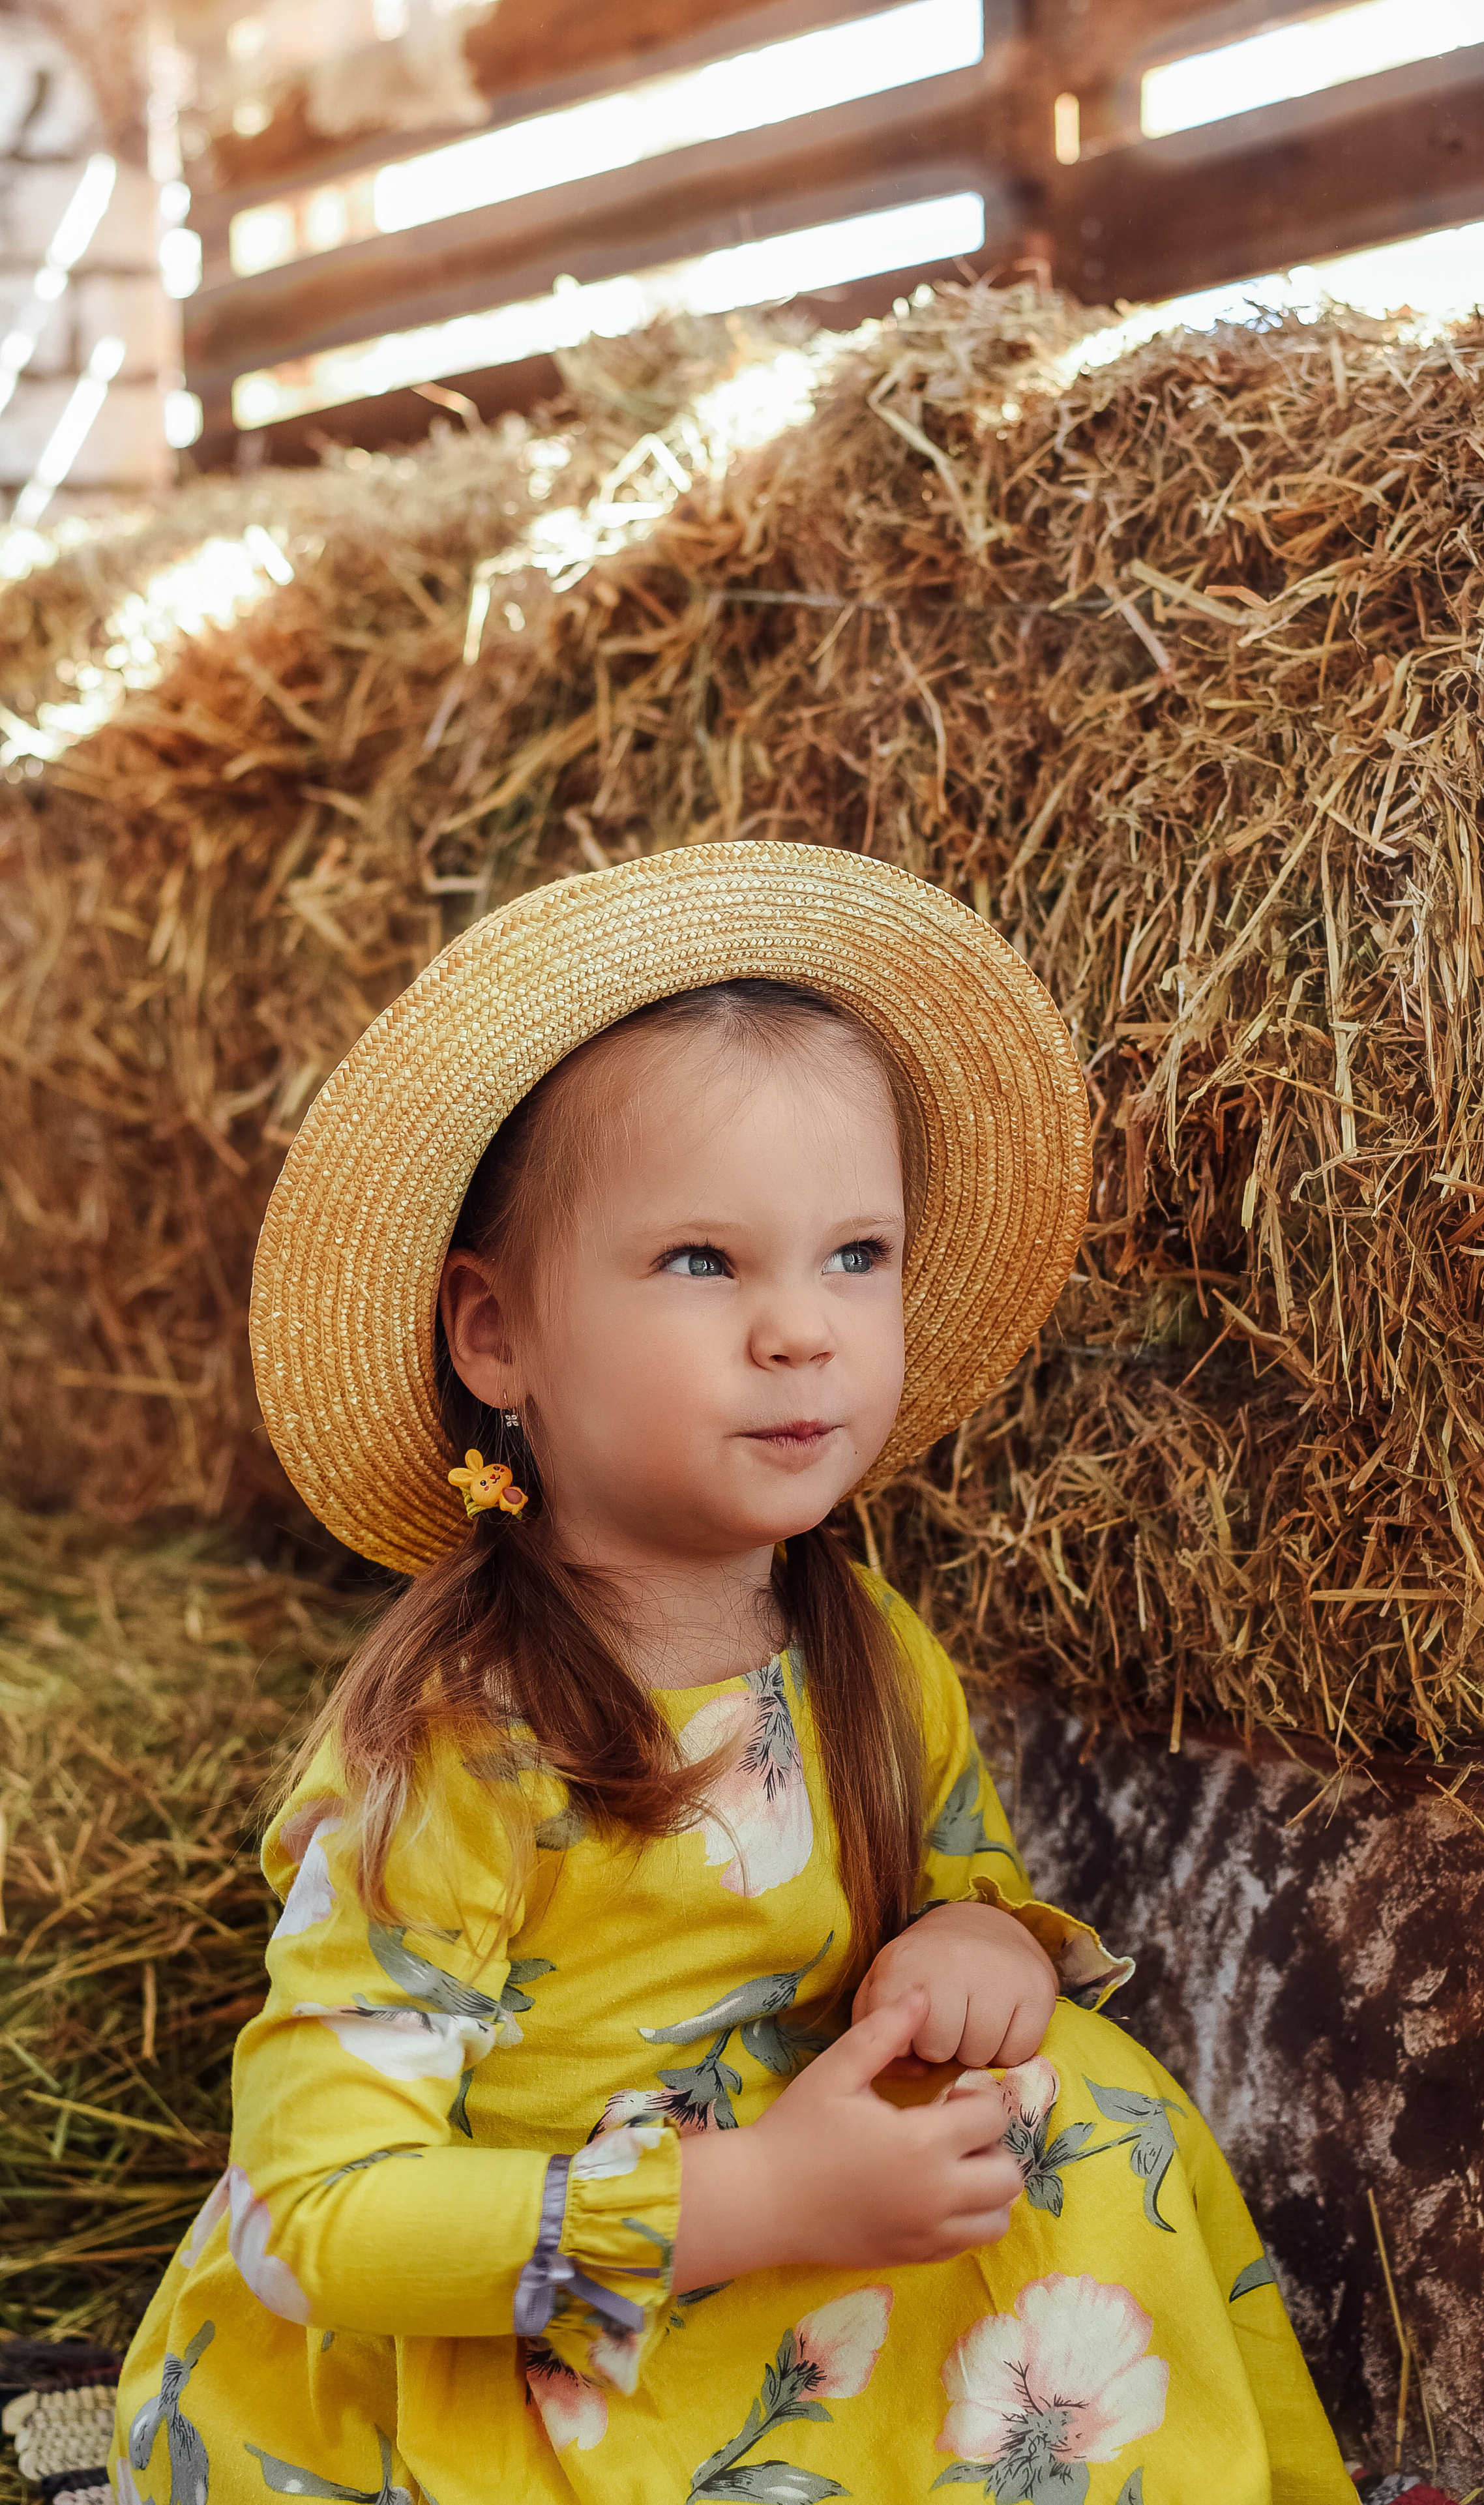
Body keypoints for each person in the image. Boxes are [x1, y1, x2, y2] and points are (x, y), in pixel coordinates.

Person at [113, 843, 1354, 2505]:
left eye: (855, 1254)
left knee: (1078, 2092)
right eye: (703, 1261)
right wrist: (752, 2198)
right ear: (496, 1336)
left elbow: (955, 1865)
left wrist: (971, 1936)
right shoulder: (458, 1745)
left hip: (801, 2242)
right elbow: (317, 2214)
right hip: (546, 2313)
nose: (802, 1329)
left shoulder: (860, 1647)